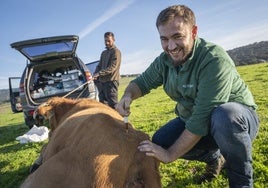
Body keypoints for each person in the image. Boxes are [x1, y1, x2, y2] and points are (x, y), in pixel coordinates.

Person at [116, 5, 259, 187]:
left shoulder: (214, 59)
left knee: (225, 116)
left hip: (237, 121)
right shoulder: (164, 61)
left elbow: (201, 118)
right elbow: (141, 82)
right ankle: (215, 158)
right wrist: (128, 95)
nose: (171, 46)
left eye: (177, 37)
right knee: (161, 141)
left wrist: (169, 155)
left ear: (194, 31)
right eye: (164, 39)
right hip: (196, 119)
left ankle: (242, 182)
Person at [93, 32, 121, 109]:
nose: (107, 43)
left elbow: (113, 67)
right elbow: (99, 66)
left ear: (114, 40)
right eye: (105, 41)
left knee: (113, 105)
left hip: (111, 82)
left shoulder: (116, 51)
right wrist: (95, 74)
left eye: (109, 41)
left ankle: (121, 120)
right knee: (103, 105)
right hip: (102, 83)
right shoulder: (103, 53)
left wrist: (99, 73)